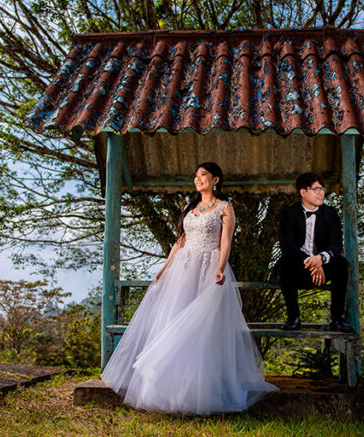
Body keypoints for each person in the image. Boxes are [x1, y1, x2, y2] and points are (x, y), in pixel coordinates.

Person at [101, 162, 278, 415]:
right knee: (174, 321)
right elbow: (180, 241)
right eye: (196, 176)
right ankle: (169, 389)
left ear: (216, 179)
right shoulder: (189, 208)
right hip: (184, 269)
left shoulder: (225, 208)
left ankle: (202, 391)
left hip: (210, 268)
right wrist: (164, 267)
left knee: (202, 328)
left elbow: (226, 241)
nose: (198, 179)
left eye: (203, 175)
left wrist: (220, 267)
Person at [274, 172, 354, 333]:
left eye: (322, 189)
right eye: (316, 189)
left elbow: (336, 245)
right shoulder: (288, 214)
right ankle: (293, 318)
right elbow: (287, 246)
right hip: (298, 268)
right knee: (285, 263)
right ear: (303, 192)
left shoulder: (331, 213)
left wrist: (321, 259)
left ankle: (336, 318)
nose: (321, 193)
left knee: (341, 263)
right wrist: (312, 262)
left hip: (323, 268)